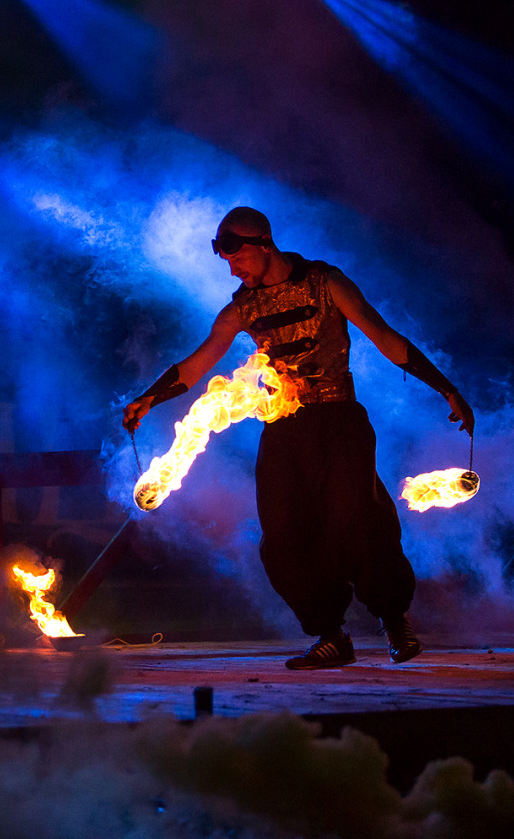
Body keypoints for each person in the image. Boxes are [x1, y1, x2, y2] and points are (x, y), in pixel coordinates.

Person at [123, 207, 474, 669]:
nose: (233, 268)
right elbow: (198, 363)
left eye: (239, 257)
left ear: (263, 244)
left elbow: (385, 338)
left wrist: (447, 389)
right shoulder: (241, 308)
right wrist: (149, 398)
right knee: (284, 534)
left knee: (355, 519)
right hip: (284, 428)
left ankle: (394, 620)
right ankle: (331, 635)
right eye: (227, 261)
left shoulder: (327, 283)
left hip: (338, 421)